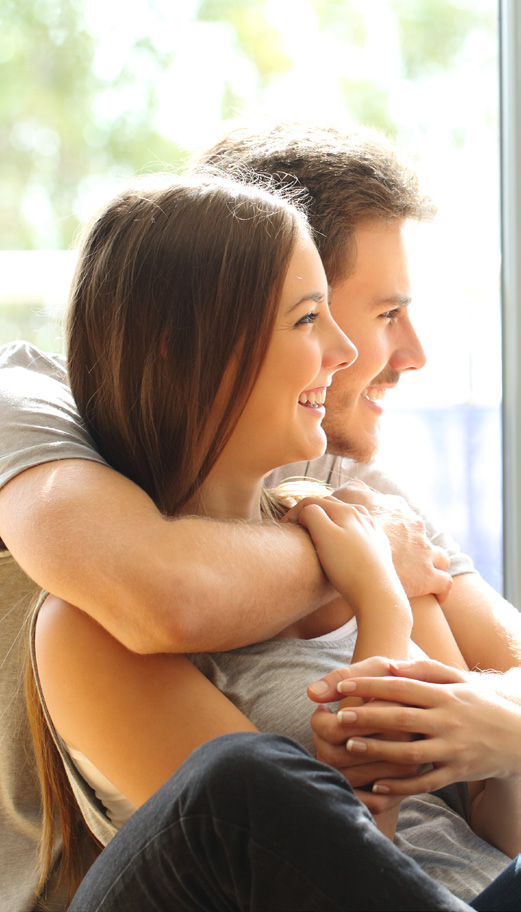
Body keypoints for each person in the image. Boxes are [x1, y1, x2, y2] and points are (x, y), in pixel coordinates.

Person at [0, 123, 519, 909]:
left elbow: (493, 814)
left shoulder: (361, 522)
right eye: (309, 319)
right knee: (242, 780)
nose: (346, 352)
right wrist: (378, 598)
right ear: (185, 348)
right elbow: (314, 861)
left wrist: (502, 738)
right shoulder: (89, 622)